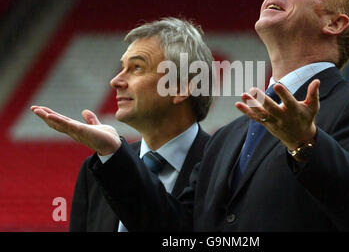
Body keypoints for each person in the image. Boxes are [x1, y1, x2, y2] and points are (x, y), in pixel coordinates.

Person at [32, 0, 349, 231]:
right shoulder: (228, 138)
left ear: (334, 23)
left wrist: (305, 143)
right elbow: (176, 231)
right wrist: (114, 154)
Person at [34, 18, 214, 231]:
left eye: (137, 67)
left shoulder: (222, 167)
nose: (115, 81)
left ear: (180, 87)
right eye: (123, 67)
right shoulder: (97, 169)